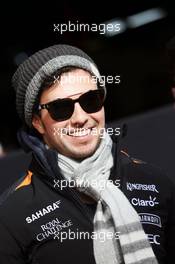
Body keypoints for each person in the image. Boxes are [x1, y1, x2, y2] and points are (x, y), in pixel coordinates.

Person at [0, 44, 172, 264]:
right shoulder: (12, 215)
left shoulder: (154, 181)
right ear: (37, 122)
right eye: (61, 108)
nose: (80, 117)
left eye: (90, 100)